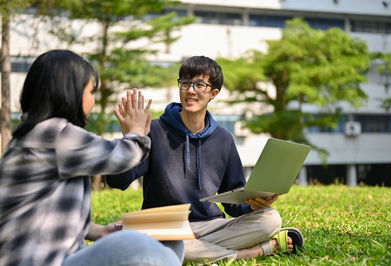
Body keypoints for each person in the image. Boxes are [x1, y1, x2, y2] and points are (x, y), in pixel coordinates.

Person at [107, 56, 304, 262]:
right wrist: (130, 140)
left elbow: (233, 202)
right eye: (185, 83)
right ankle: (251, 252)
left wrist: (253, 206)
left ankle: (192, 251)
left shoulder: (224, 139)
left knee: (271, 219)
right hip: (164, 227)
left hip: (211, 225)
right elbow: (117, 182)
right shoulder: (153, 131)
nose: (190, 90)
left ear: (213, 93)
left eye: (199, 85)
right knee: (157, 245)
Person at [0, 50, 183, 266]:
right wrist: (136, 132)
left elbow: (46, 214)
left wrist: (99, 231)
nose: (93, 102)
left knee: (172, 241)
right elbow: (120, 157)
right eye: (90, 92)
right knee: (134, 243)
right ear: (70, 93)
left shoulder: (32, 135)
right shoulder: (54, 133)